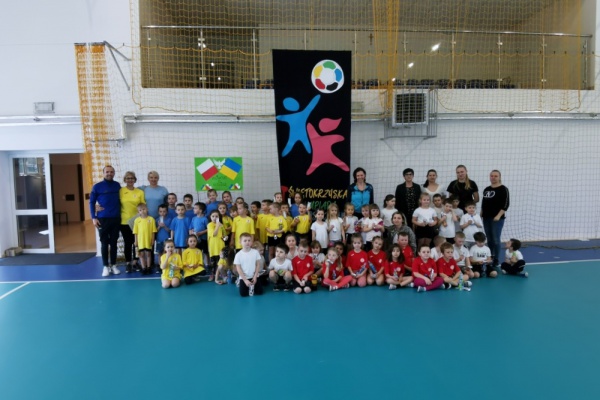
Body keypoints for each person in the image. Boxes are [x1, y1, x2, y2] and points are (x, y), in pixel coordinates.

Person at [90, 165, 122, 277]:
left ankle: (113, 265)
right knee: (104, 243)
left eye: (111, 172)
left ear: (114, 173)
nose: (109, 173)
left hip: (116, 218)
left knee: (113, 243)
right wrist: (94, 217)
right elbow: (91, 202)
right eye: (107, 172)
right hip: (102, 219)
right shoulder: (97, 186)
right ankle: (105, 266)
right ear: (103, 173)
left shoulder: (117, 185)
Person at [481, 170, 510, 267]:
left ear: (499, 177)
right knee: (489, 239)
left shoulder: (503, 189)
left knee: (496, 239)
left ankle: (496, 259)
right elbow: (484, 203)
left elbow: (506, 204)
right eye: (491, 176)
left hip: (497, 219)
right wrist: (481, 213)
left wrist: (498, 215)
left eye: (495, 176)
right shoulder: (487, 189)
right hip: (486, 218)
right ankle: (491, 257)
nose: (493, 177)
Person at [119, 171, 146, 273]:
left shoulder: (139, 192)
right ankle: (128, 263)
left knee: (137, 243)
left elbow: (143, 206)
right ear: (125, 180)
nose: (130, 180)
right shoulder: (121, 191)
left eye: (132, 178)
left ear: (135, 180)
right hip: (125, 221)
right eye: (128, 178)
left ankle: (135, 262)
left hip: (137, 221)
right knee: (128, 243)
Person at [133, 203, 157, 275]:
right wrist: (136, 241)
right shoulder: (137, 220)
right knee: (141, 255)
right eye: (140, 210)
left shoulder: (151, 219)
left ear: (147, 209)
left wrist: (153, 240)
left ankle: (149, 267)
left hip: (148, 241)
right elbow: (135, 232)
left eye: (143, 209)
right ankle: (143, 268)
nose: (142, 211)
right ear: (138, 212)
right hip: (140, 241)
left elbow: (153, 231)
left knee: (148, 254)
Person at [207, 210, 227, 280]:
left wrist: (225, 237)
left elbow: (225, 235)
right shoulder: (209, 225)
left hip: (220, 245)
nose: (215, 218)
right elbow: (214, 234)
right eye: (213, 216)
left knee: (220, 261)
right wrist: (218, 225)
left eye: (216, 216)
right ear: (210, 217)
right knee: (213, 262)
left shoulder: (221, 225)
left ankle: (221, 274)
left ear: (219, 217)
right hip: (212, 246)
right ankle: (212, 274)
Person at [155, 204, 172, 271]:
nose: (162, 213)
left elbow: (169, 230)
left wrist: (164, 226)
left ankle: (167, 265)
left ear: (167, 212)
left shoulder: (169, 220)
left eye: (164, 211)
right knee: (160, 253)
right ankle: (160, 265)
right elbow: (155, 230)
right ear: (158, 212)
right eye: (161, 211)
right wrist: (159, 226)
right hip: (159, 239)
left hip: (167, 239)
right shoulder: (157, 220)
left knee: (167, 253)